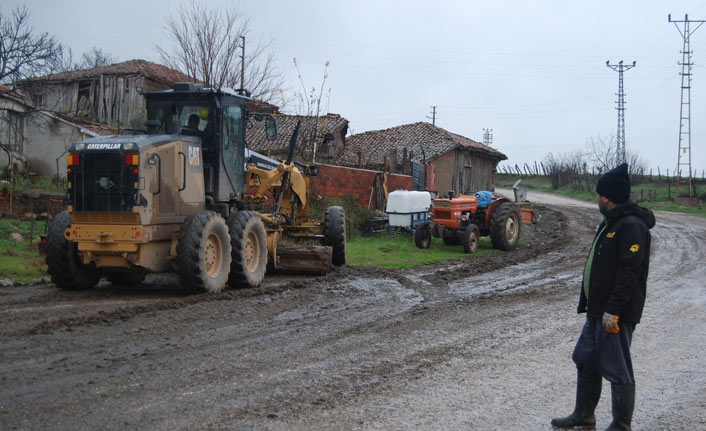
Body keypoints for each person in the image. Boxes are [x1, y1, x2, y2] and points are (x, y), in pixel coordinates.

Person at [551, 163, 655, 431]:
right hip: (598, 310)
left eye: (599, 193)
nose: (597, 198)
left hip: (614, 313)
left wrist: (614, 309)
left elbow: (629, 271)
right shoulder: (610, 222)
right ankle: (584, 415)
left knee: (616, 365)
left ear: (607, 196)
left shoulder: (631, 226)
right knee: (585, 358)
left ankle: (621, 425)